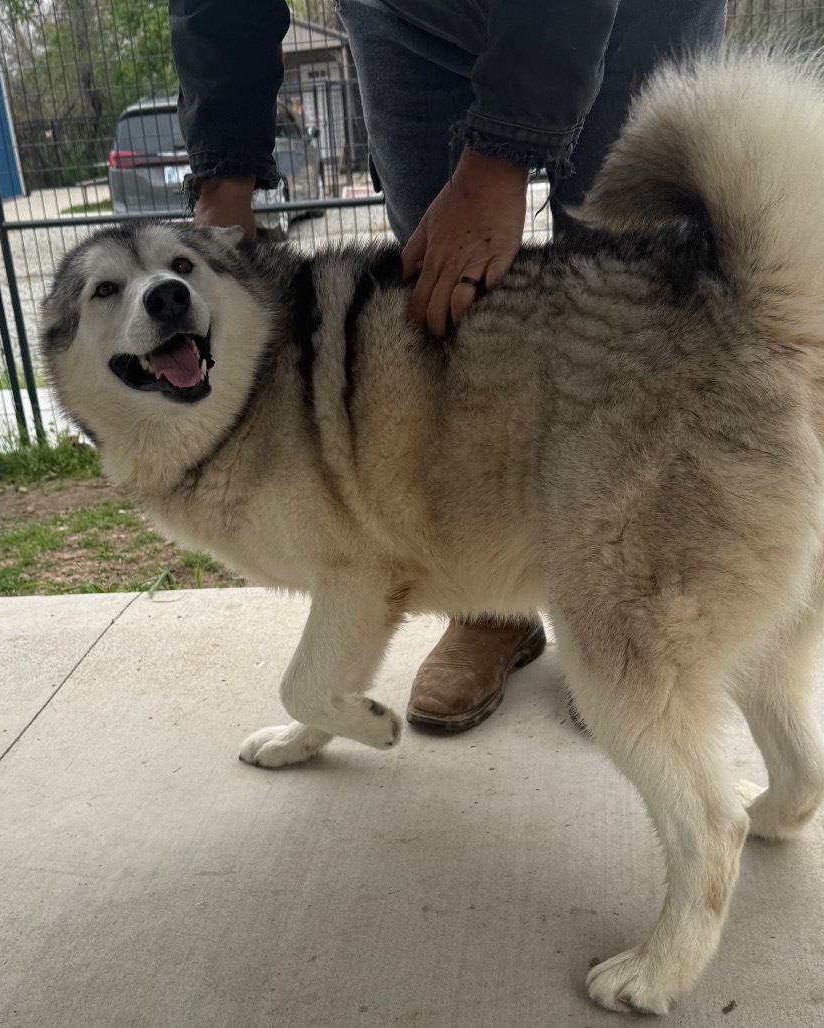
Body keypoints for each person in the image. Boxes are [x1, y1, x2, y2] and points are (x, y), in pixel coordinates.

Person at [169, 0, 726, 733]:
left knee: (637, 304)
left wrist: (500, 156)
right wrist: (222, 182)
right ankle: (490, 605)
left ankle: (644, 611)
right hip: (404, 16)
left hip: (630, 14)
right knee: (439, 311)